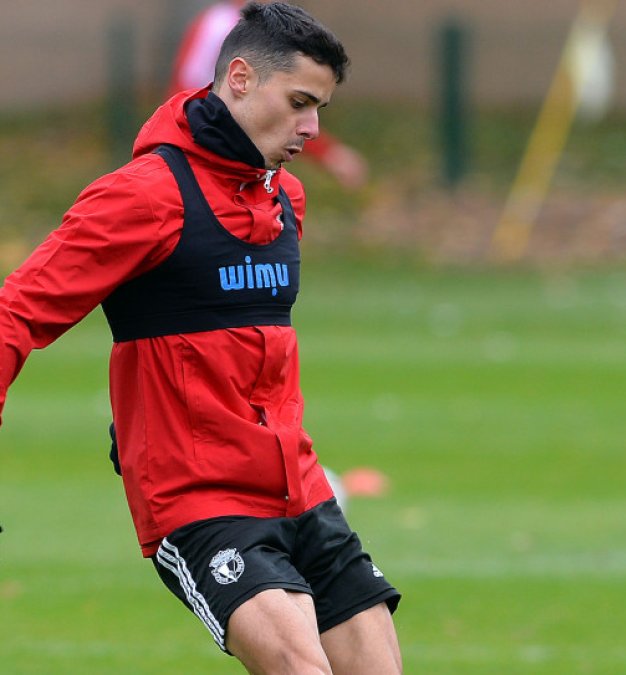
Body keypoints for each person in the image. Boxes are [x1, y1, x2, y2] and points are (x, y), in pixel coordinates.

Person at [0, 4, 403, 672]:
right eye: (301, 102)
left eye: (321, 108)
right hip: (200, 499)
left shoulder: (285, 200)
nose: (312, 127)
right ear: (239, 77)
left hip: (300, 488)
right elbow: (15, 312)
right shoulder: (142, 198)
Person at [172, 0, 369, 190]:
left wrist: (327, 152)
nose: (311, 129)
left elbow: (289, 105)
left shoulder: (289, 195)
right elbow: (181, 95)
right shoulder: (217, 25)